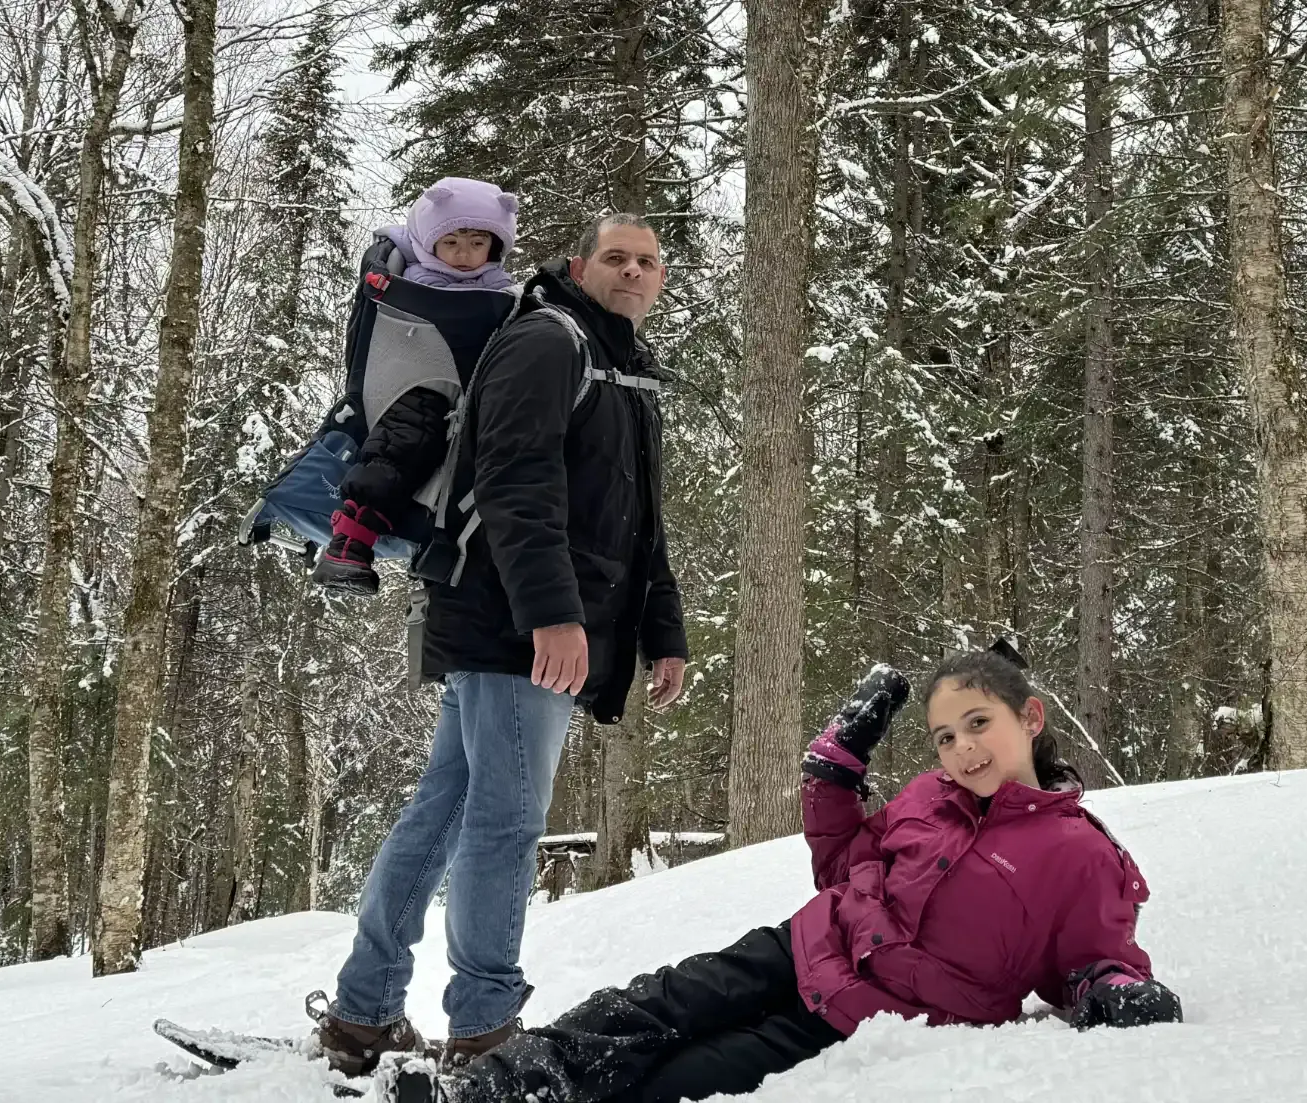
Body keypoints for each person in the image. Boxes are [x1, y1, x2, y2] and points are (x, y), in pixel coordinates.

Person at [399, 648, 1181, 1103]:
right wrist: (832, 768)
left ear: (1030, 718)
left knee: (679, 1077)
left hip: (857, 1014)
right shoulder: (931, 796)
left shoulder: (1079, 853)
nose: (962, 749)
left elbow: (1096, 958)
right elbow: (844, 865)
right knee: (641, 1008)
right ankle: (478, 1093)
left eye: (979, 724)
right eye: (945, 735)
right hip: (797, 947)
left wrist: (1115, 986)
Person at [310, 215, 691, 1075]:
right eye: (616, 257)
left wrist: (661, 630)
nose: (632, 270)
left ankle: (364, 1013)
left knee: (447, 807)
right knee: (505, 821)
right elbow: (514, 482)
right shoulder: (545, 342)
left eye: (648, 260)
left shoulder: (623, 365)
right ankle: (484, 1030)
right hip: (514, 621)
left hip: (539, 620)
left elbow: (638, 524)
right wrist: (551, 616)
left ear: (661, 277)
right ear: (579, 265)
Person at [313, 176, 523, 594]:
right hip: (414, 388)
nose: (464, 255)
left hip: (476, 394)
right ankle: (350, 540)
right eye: (452, 243)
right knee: (405, 440)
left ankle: (450, 548)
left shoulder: (501, 289)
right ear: (431, 243)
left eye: (477, 243)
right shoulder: (417, 279)